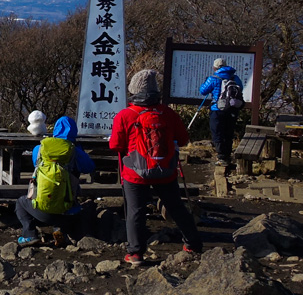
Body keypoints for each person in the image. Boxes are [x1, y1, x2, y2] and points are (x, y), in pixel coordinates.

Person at [110, 69, 203, 267]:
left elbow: (116, 145)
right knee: (176, 207)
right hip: (165, 169)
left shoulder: (125, 115)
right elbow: (184, 139)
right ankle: (193, 243)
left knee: (136, 211)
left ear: (133, 91)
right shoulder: (167, 113)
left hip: (135, 173)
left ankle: (135, 253)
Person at [15, 115, 95, 246]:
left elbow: (35, 163)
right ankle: (61, 230)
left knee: (20, 202)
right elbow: (90, 167)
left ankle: (29, 235)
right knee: (74, 201)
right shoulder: (75, 151)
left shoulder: (40, 148)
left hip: (42, 210)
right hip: (68, 212)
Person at [199, 57, 245, 167]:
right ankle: (228, 156)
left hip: (217, 109)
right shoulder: (235, 78)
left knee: (217, 133)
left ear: (215, 67)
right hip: (232, 109)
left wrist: (206, 82)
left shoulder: (213, 78)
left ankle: (221, 157)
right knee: (228, 133)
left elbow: (203, 91)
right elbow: (241, 88)